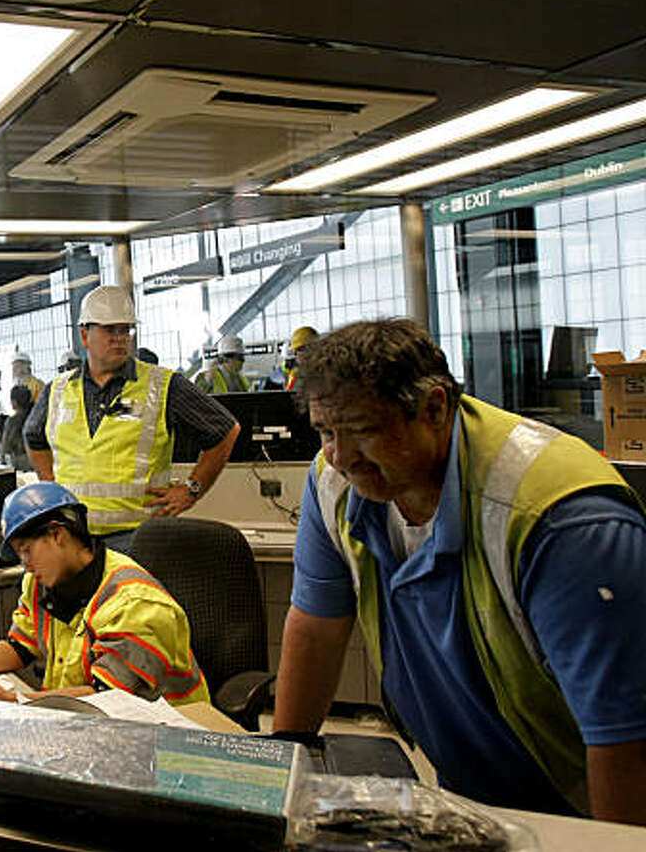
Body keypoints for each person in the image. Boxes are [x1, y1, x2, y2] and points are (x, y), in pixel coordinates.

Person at [272, 318, 646, 824]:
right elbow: (316, 628)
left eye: (362, 431)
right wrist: (278, 790)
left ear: (434, 409)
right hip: (480, 799)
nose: (341, 457)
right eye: (325, 432)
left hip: (588, 804)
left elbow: (626, 740)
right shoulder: (337, 484)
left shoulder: (559, 519)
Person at [0, 482, 210, 706]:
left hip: (169, 736)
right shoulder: (40, 582)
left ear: (57, 535)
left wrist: (15, 699)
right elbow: (18, 650)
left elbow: (108, 698)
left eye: (27, 551)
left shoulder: (134, 603)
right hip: (81, 718)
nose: (25, 564)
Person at [24, 285, 241, 555]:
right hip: (74, 538)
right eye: (109, 330)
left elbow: (225, 431)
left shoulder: (163, 385)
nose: (119, 339)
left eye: (125, 330)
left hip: (138, 539)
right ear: (85, 335)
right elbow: (33, 436)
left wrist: (191, 490)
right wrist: (50, 484)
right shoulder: (57, 391)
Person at [0, 385, 33, 471]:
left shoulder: (12, 421)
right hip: (36, 461)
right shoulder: (35, 418)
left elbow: (5, 448)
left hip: (20, 464)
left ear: (14, 402)